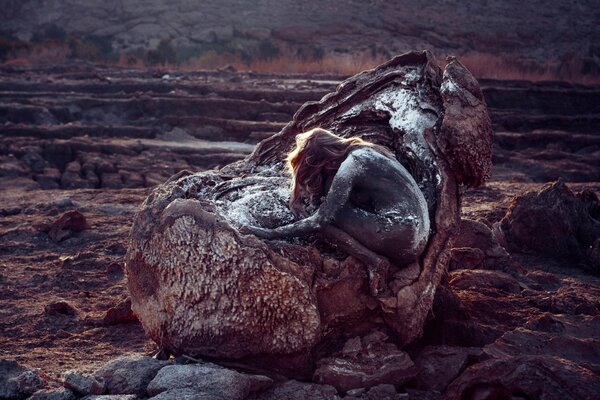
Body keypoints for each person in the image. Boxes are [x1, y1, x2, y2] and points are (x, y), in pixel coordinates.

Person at [242, 128, 430, 296]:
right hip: (417, 239)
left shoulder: (353, 163)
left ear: (326, 159)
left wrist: (271, 233)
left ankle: (374, 262)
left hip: (401, 235)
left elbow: (321, 220)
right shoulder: (368, 152)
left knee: (321, 216)